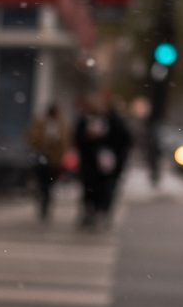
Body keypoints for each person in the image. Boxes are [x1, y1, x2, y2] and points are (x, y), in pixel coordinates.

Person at [73, 90, 133, 228]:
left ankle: (102, 211)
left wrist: (116, 156)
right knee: (89, 189)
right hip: (90, 164)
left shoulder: (115, 122)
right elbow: (78, 139)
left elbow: (125, 140)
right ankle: (90, 212)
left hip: (109, 165)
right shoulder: (86, 120)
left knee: (106, 190)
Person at [25, 102, 71, 222]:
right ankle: (43, 202)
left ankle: (46, 203)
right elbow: (32, 138)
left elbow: (65, 142)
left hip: (55, 161)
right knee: (43, 184)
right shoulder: (41, 124)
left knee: (49, 185)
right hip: (42, 157)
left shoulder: (62, 125)